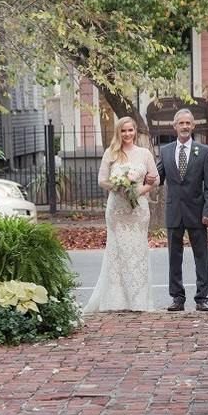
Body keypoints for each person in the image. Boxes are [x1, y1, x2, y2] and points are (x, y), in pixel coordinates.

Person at [83, 117, 159, 313]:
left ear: (135, 131)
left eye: (130, 130)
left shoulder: (144, 154)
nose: (127, 134)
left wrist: (138, 191)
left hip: (138, 211)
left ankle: (138, 300)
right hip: (117, 210)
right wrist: (118, 187)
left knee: (137, 252)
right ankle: (116, 300)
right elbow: (101, 180)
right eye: (123, 131)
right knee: (117, 253)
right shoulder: (111, 153)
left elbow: (155, 179)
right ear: (119, 132)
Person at [156, 109, 208, 312]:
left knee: (201, 257)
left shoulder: (204, 151)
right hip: (174, 212)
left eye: (188, 123)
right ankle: (177, 298)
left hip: (197, 213)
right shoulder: (165, 151)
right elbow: (158, 178)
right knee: (174, 257)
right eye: (181, 123)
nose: (184, 126)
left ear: (193, 126)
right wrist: (141, 177)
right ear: (174, 126)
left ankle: (202, 298)